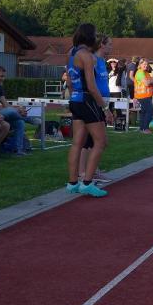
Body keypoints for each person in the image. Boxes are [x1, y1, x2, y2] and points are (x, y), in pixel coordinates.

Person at [65, 23, 111, 197]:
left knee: (77, 142)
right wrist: (104, 107)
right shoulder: (87, 56)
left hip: (76, 99)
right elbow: (92, 86)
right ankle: (87, 182)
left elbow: (69, 81)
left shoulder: (71, 53)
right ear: (90, 36)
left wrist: (74, 97)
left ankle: (72, 183)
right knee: (100, 141)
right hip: (87, 100)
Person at [78, 35, 114, 182]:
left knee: (96, 141)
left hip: (102, 102)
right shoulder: (92, 60)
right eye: (109, 44)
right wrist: (103, 106)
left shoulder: (102, 61)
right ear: (101, 45)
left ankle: (91, 170)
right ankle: (84, 173)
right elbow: (90, 84)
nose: (111, 47)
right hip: (94, 102)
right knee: (92, 140)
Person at [0, 65, 29, 156]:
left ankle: (18, 150)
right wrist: (16, 110)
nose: (3, 79)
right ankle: (28, 119)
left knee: (20, 123)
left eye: (4, 76)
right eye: (1, 76)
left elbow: (6, 105)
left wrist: (17, 109)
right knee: (11, 111)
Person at [134, 58, 153, 134]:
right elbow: (147, 83)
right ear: (140, 65)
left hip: (147, 95)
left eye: (147, 64)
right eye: (144, 64)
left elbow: (152, 83)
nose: (146, 66)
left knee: (144, 112)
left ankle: (142, 128)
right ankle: (145, 128)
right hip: (142, 96)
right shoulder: (140, 72)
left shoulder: (146, 73)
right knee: (150, 110)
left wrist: (152, 81)